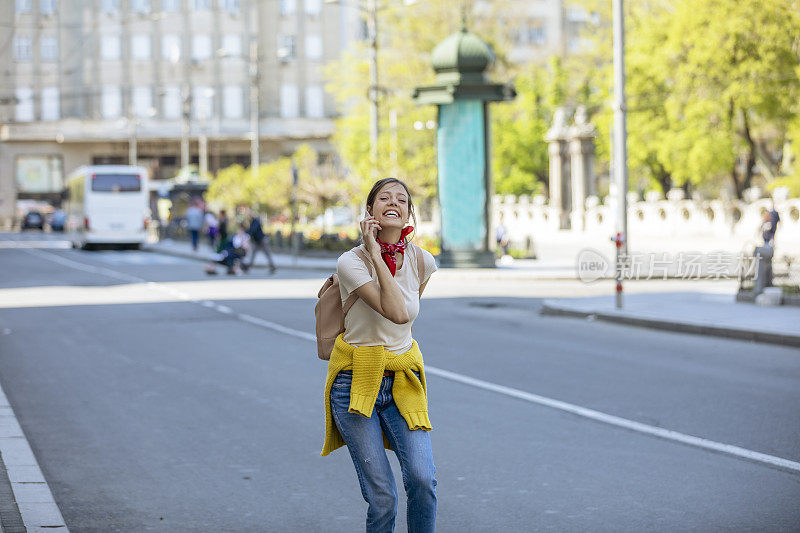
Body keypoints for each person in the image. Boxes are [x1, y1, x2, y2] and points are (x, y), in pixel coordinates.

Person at [322, 178, 438, 533]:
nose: (394, 203)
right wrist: (375, 253)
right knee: (383, 496)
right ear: (369, 211)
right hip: (356, 384)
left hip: (402, 380)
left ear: (408, 213)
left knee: (423, 480)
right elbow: (397, 312)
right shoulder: (351, 262)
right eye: (384, 198)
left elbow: (405, 320)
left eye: (402, 199)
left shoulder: (422, 261)